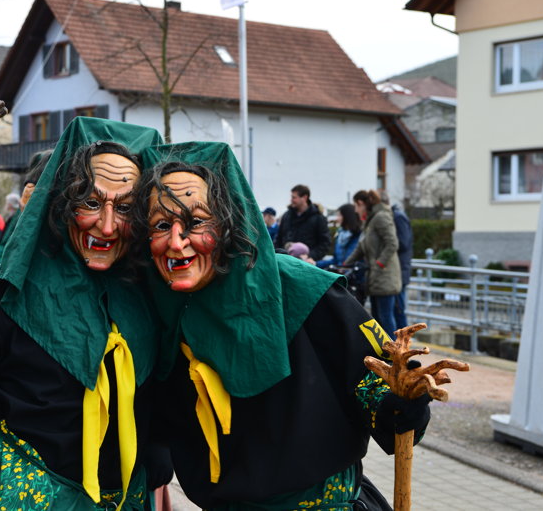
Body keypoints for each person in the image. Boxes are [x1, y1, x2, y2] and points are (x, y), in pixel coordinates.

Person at [132, 142, 430, 510]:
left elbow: (370, 371)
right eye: (162, 225)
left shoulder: (297, 285)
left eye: (195, 222)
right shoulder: (160, 310)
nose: (177, 243)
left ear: (227, 223)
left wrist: (397, 402)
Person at [0, 117, 169, 509]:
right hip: (22, 493)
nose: (107, 227)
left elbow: (166, 384)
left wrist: (161, 440)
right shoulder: (8, 292)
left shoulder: (150, 293)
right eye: (91, 203)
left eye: (125, 208)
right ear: (62, 203)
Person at [345, 190, 401, 338]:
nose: (355, 210)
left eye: (356, 206)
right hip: (375, 277)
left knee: (385, 317)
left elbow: (392, 243)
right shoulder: (370, 221)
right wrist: (345, 264)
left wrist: (378, 264)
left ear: (362, 204)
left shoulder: (381, 217)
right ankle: (384, 354)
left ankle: (395, 356)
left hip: (384, 276)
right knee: (378, 319)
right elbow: (361, 247)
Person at [380, 191, 413, 331]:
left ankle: (405, 346)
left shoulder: (398, 217)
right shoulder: (394, 216)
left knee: (398, 310)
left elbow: (404, 243)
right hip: (396, 270)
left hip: (399, 271)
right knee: (394, 310)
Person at [273, 184, 331, 262]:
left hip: (308, 264)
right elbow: (279, 239)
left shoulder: (318, 218)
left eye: (294, 197)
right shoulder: (286, 216)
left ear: (304, 197)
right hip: (286, 262)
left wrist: (310, 256)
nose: (291, 200)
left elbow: (324, 243)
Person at [316, 203, 362, 269]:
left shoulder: (359, 236)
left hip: (355, 276)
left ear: (347, 216)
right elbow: (336, 260)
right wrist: (315, 264)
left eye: (339, 215)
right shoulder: (340, 236)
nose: (337, 218)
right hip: (342, 275)